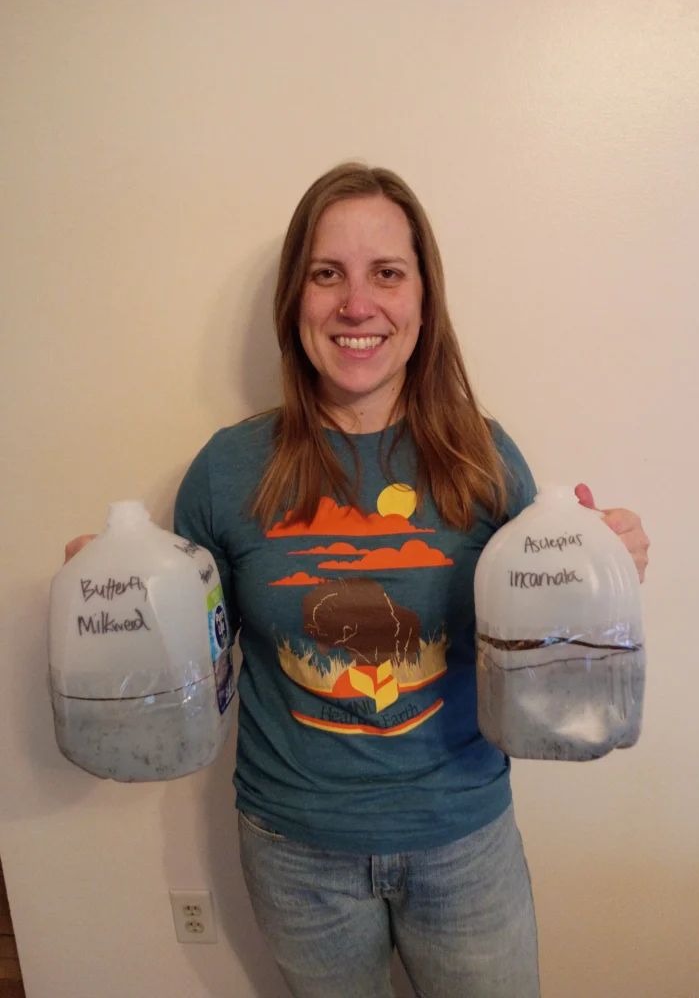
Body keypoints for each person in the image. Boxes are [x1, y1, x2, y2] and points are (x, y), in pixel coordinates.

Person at [65, 163, 650, 998]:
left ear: (423, 298)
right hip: (294, 854)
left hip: (465, 842)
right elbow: (201, 653)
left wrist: (607, 567)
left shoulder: (484, 459)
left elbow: (537, 628)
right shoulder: (228, 470)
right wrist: (113, 604)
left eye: (387, 273)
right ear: (295, 299)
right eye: (326, 273)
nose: (357, 303)